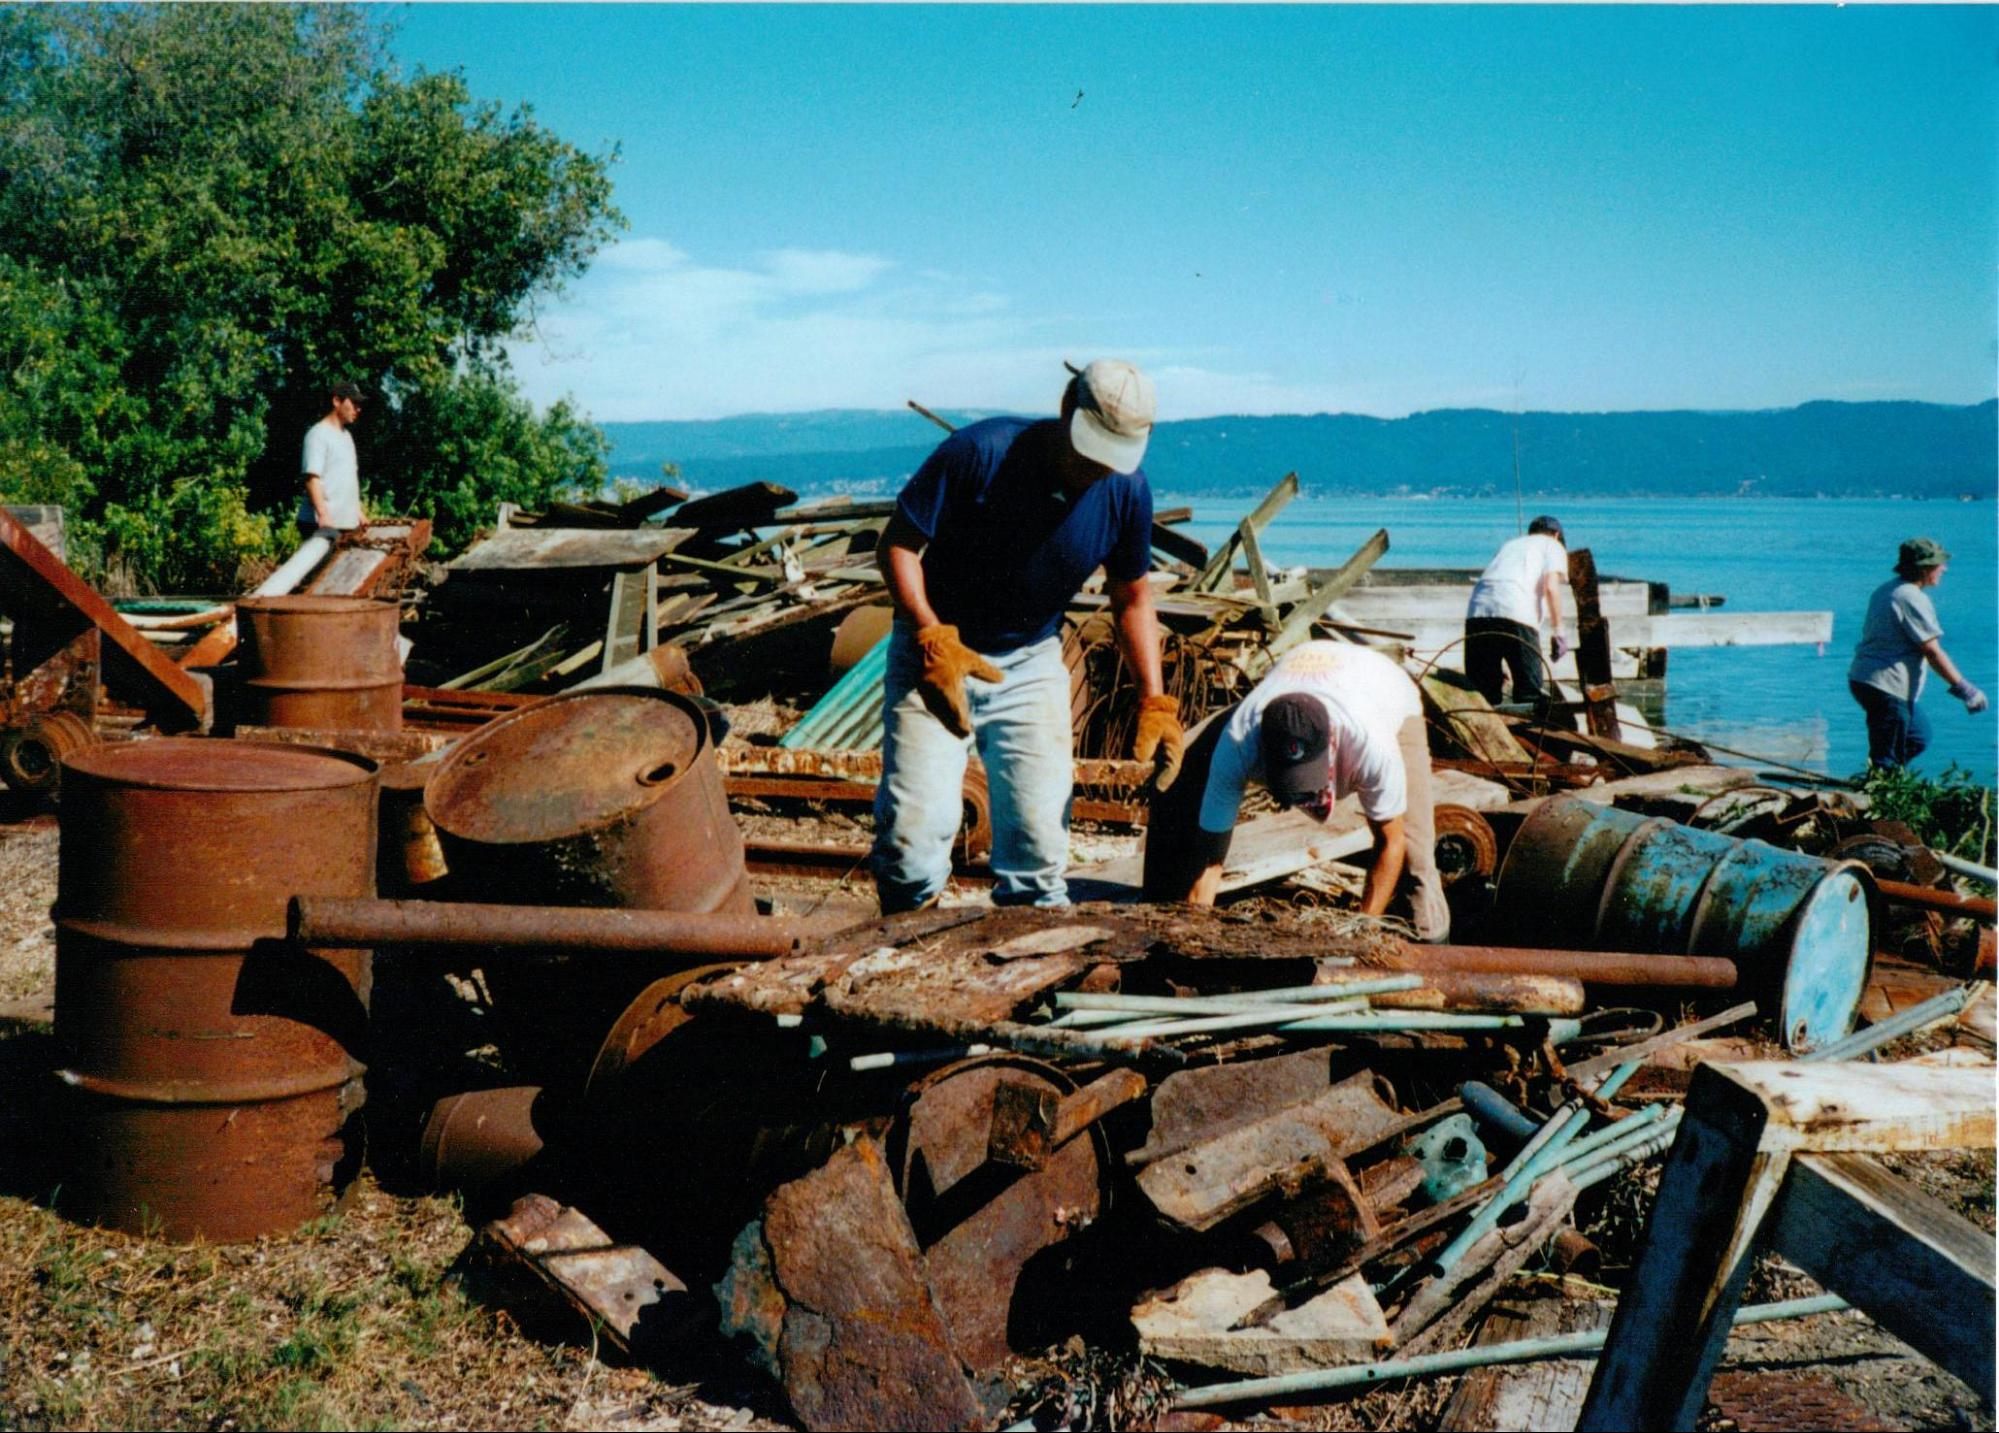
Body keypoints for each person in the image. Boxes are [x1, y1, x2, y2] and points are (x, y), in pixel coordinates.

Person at [871, 359, 1184, 912]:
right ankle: (900, 948)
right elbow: (896, 546)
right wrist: (931, 636)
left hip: (1031, 662)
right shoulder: (981, 452)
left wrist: (1154, 698)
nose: (1097, 469)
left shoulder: (1126, 493)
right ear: (1068, 409)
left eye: (1113, 457)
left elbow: (1132, 596)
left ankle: (1027, 972)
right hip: (938, 653)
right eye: (1090, 450)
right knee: (912, 845)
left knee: (1038, 855)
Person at [1142, 639, 1449, 942]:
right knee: (1179, 781)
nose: (1304, 797)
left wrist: (1360, 931)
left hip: (1383, 685)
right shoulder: (1238, 742)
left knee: (1414, 850)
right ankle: (1157, 926)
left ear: (1332, 744)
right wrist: (1197, 931)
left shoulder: (1371, 743)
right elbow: (1211, 861)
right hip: (1298, 669)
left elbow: (1389, 842)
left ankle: (1433, 944)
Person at [1847, 536, 1986, 768]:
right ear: (1923, 568)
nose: (1944, 568)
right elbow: (1931, 650)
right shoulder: (1910, 597)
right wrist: (1965, 689)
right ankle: (1880, 791)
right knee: (1889, 753)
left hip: (1869, 679)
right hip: (1886, 684)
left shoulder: (1889, 589)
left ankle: (1880, 782)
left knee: (1918, 737)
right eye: (1939, 564)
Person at [1464, 515, 1568, 707]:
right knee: (1530, 693)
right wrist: (1559, 632)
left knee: (1482, 692)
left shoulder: (1511, 545)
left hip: (1478, 611)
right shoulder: (1553, 546)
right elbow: (1551, 587)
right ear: (1556, 535)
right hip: (1516, 611)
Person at [297, 381, 368, 540]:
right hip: (320, 523)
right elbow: (311, 478)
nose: (358, 409)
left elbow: (346, 480)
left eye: (359, 404)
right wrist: (323, 515)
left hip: (344, 523)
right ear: (337, 401)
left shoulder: (347, 437)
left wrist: (357, 512)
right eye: (354, 403)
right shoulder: (318, 435)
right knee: (320, 566)